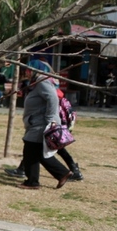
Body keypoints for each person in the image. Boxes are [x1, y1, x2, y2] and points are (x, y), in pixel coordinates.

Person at [16, 60, 71, 190]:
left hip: (40, 124)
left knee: (31, 151)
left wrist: (51, 118)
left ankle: (35, 181)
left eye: (28, 69)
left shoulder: (42, 81)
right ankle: (59, 174)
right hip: (36, 123)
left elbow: (52, 98)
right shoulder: (37, 82)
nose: (27, 72)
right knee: (34, 152)